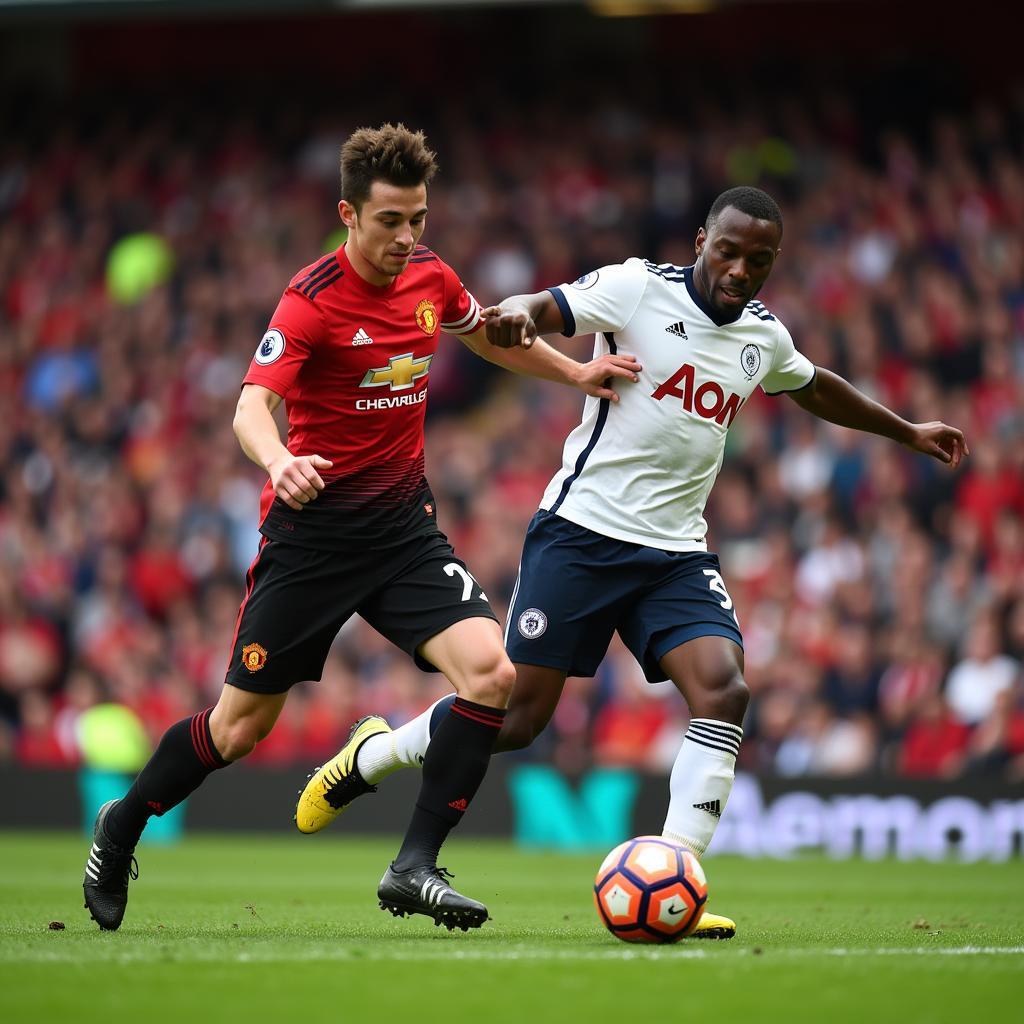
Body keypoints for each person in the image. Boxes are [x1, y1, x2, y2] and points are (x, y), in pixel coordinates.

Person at [296, 185, 969, 938]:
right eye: (729, 250)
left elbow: (815, 387)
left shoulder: (764, 338)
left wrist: (907, 430)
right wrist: (517, 312)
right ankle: (377, 753)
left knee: (726, 690)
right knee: (516, 721)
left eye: (760, 259)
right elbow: (544, 304)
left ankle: (676, 877)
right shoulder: (638, 287)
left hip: (674, 554)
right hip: (579, 538)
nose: (741, 269)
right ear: (702, 241)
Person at [83, 123, 638, 933]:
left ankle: (413, 865)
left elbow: (483, 334)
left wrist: (575, 370)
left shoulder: (430, 277)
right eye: (390, 221)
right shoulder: (309, 302)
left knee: (491, 674)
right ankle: (124, 822)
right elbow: (249, 407)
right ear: (349, 213)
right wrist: (278, 463)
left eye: (418, 218)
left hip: (402, 533)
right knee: (239, 728)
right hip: (310, 541)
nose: (407, 237)